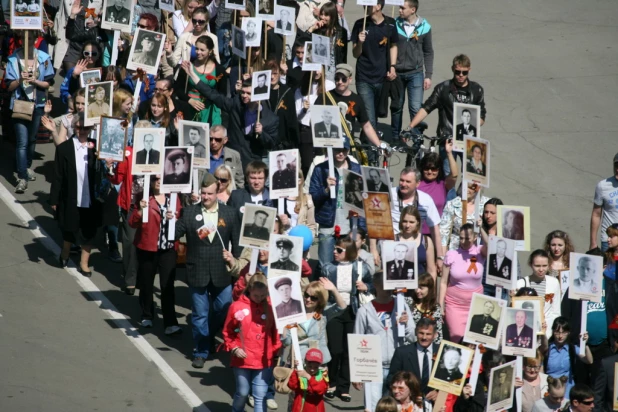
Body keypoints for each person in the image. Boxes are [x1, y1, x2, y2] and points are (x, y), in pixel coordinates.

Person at [175, 173, 242, 369]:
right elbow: (176, 233)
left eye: (210, 194)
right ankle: (201, 350)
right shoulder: (189, 212)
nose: (206, 197)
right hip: (198, 271)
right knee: (200, 314)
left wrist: (235, 262)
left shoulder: (229, 213)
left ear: (217, 191)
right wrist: (170, 219)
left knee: (224, 306)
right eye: (203, 193)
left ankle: (209, 334)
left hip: (221, 271)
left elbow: (236, 242)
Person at [184, 66, 279, 168]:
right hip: (233, 162)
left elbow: (271, 144)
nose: (244, 96)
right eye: (243, 92)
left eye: (248, 93)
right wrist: (193, 75)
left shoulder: (271, 119)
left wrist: (261, 133)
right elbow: (213, 95)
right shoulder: (236, 104)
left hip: (252, 164)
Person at [408, 54, 486, 175]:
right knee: (448, 175)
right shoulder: (443, 88)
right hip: (448, 139)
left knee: (471, 176)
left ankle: (461, 193)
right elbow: (426, 108)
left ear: (469, 70)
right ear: (452, 69)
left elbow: (482, 117)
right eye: (457, 72)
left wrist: (471, 125)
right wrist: (410, 126)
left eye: (464, 72)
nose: (461, 75)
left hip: (469, 141)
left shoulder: (477, 90)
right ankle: (450, 194)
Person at [352, 273, 415, 411]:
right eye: (383, 285)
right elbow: (357, 340)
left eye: (389, 285)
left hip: (396, 365)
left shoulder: (401, 305)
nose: (387, 288)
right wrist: (357, 374)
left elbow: (413, 337)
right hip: (373, 367)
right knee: (373, 406)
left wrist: (406, 326)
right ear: (376, 285)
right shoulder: (365, 311)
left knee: (395, 406)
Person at [49, 113, 101, 275]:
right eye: (79, 127)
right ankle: (65, 252)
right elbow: (58, 176)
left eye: (86, 128)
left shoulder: (97, 147)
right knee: (69, 228)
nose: (82, 131)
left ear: (91, 128)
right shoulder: (64, 148)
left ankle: (84, 263)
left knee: (89, 231)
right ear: (74, 127)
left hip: (91, 197)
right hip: (71, 196)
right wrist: (54, 199)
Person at [322, 236, 372, 402]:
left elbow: (373, 285)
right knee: (335, 349)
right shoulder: (328, 268)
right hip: (333, 310)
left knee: (349, 350)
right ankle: (332, 383)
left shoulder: (361, 268)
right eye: (334, 249)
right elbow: (319, 290)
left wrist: (366, 287)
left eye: (339, 250)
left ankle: (344, 387)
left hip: (353, 311)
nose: (334, 252)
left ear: (349, 252)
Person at [129, 175, 182, 334]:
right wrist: (140, 210)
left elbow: (180, 218)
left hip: (168, 248)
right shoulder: (144, 198)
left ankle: (170, 322)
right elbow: (132, 222)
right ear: (150, 182)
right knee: (146, 283)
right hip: (147, 247)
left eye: (161, 178)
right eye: (155, 179)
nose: (159, 181)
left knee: (167, 285)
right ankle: (147, 314)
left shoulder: (174, 198)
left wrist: (174, 218)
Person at [222, 273, 281, 412]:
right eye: (256, 296)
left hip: (263, 359)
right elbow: (227, 332)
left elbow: (276, 333)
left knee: (260, 395)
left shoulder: (272, 307)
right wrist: (234, 348)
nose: (259, 299)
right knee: (242, 392)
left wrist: (274, 351)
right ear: (249, 290)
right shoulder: (236, 306)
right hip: (242, 358)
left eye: (263, 296)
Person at [375, 167, 443, 278]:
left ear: (417, 183)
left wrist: (440, 256)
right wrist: (373, 249)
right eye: (402, 180)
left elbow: (435, 228)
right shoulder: (388, 195)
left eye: (408, 181)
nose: (403, 184)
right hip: (390, 248)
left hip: (413, 247)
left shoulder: (426, 200)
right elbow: (375, 221)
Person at [309, 142, 366, 266]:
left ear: (348, 151)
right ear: (331, 150)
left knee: (350, 263)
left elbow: (363, 202)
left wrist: (360, 230)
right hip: (328, 224)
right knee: (325, 264)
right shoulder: (321, 169)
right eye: (337, 150)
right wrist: (326, 189)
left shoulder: (357, 169)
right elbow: (314, 196)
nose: (341, 153)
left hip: (350, 225)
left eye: (344, 150)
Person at [351, 0, 398, 134]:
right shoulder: (360, 24)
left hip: (382, 78)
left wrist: (393, 66)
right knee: (370, 118)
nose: (365, 7)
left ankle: (368, 145)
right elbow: (355, 54)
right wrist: (359, 43)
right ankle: (372, 152)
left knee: (376, 115)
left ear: (378, 6)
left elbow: (393, 45)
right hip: (364, 77)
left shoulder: (390, 24)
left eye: (369, 4)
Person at [391, 0, 434, 139]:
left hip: (415, 74)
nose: (400, 10)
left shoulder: (425, 27)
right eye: (399, 8)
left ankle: (416, 140)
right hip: (397, 73)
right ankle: (396, 138)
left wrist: (428, 75)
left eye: (403, 8)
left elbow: (428, 52)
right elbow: (389, 48)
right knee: (396, 107)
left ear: (413, 10)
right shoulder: (394, 24)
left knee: (415, 108)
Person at [440, 223, 487, 343]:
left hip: (476, 305)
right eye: (461, 238)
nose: (463, 241)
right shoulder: (452, 254)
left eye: (467, 238)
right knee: (457, 339)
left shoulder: (480, 251)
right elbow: (444, 282)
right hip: (454, 305)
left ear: (475, 237)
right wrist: (440, 306)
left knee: (475, 341)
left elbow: (491, 246)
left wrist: (481, 228)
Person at [387, 317, 440, 398]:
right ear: (415, 332)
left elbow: (450, 381)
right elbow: (391, 379)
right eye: (421, 333)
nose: (424, 337)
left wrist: (438, 392)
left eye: (428, 334)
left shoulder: (442, 352)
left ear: (435, 335)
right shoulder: (402, 352)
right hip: (409, 401)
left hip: (436, 403)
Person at [517, 250, 562, 338]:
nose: (541, 270)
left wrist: (553, 332)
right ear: (531, 265)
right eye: (537, 266)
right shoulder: (520, 284)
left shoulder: (554, 282)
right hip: (526, 332)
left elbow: (556, 312)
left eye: (544, 266)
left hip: (547, 333)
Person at [543, 317, 593, 395]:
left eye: (564, 332)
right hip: (550, 388)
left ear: (568, 332)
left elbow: (589, 360)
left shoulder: (571, 348)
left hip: (567, 389)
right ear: (553, 331)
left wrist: (585, 344)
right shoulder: (548, 349)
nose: (560, 336)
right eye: (557, 332)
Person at [440, 183, 489, 250]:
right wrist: (442, 255)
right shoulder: (452, 204)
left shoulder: (487, 204)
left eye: (471, 188)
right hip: (456, 247)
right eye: (465, 186)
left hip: (479, 248)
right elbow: (443, 231)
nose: (467, 190)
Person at [396, 207, 437, 279]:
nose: (407, 225)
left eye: (411, 222)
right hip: (399, 286)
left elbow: (431, 270)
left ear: (417, 222)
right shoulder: (393, 240)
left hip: (420, 286)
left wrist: (430, 288)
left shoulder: (426, 241)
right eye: (405, 221)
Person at [590, 153, 618, 252]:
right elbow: (596, 214)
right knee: (607, 267)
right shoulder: (603, 186)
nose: (617, 169)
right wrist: (593, 242)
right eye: (616, 165)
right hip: (608, 239)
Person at [406, 273, 443, 344]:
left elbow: (438, 333)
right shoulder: (408, 302)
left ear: (429, 289)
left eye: (421, 288)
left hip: (428, 345)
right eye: (416, 287)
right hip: (410, 344)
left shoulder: (435, 307)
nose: (417, 291)